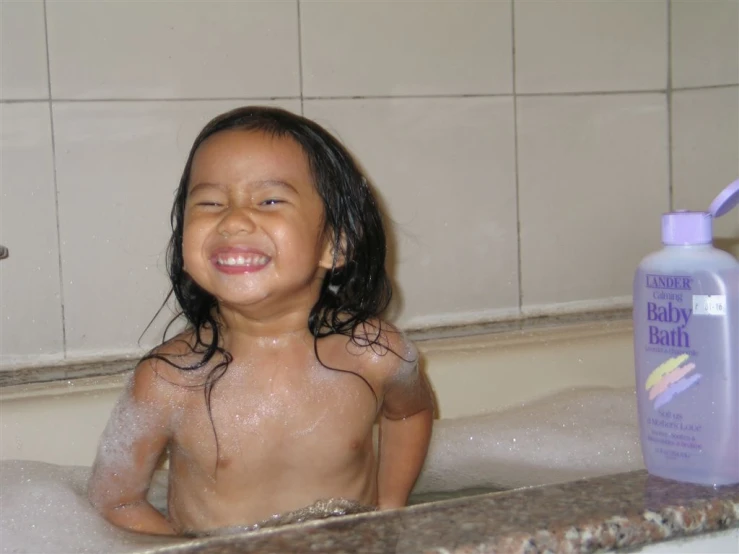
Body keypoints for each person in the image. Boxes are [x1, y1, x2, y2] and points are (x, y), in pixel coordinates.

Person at [87, 106, 435, 536]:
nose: (233, 220)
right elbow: (115, 500)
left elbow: (410, 413)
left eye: (269, 200)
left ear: (335, 243)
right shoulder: (171, 381)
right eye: (210, 202)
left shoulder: (374, 354)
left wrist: (391, 507)